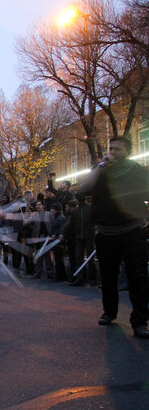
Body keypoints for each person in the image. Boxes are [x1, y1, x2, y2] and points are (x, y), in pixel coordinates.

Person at [77, 136, 148, 339]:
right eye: (111, 148)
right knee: (108, 276)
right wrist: (99, 167)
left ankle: (140, 321)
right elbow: (83, 188)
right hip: (106, 232)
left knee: (138, 276)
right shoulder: (101, 172)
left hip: (132, 230)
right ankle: (109, 312)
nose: (113, 152)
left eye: (118, 149)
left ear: (128, 152)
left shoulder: (137, 171)